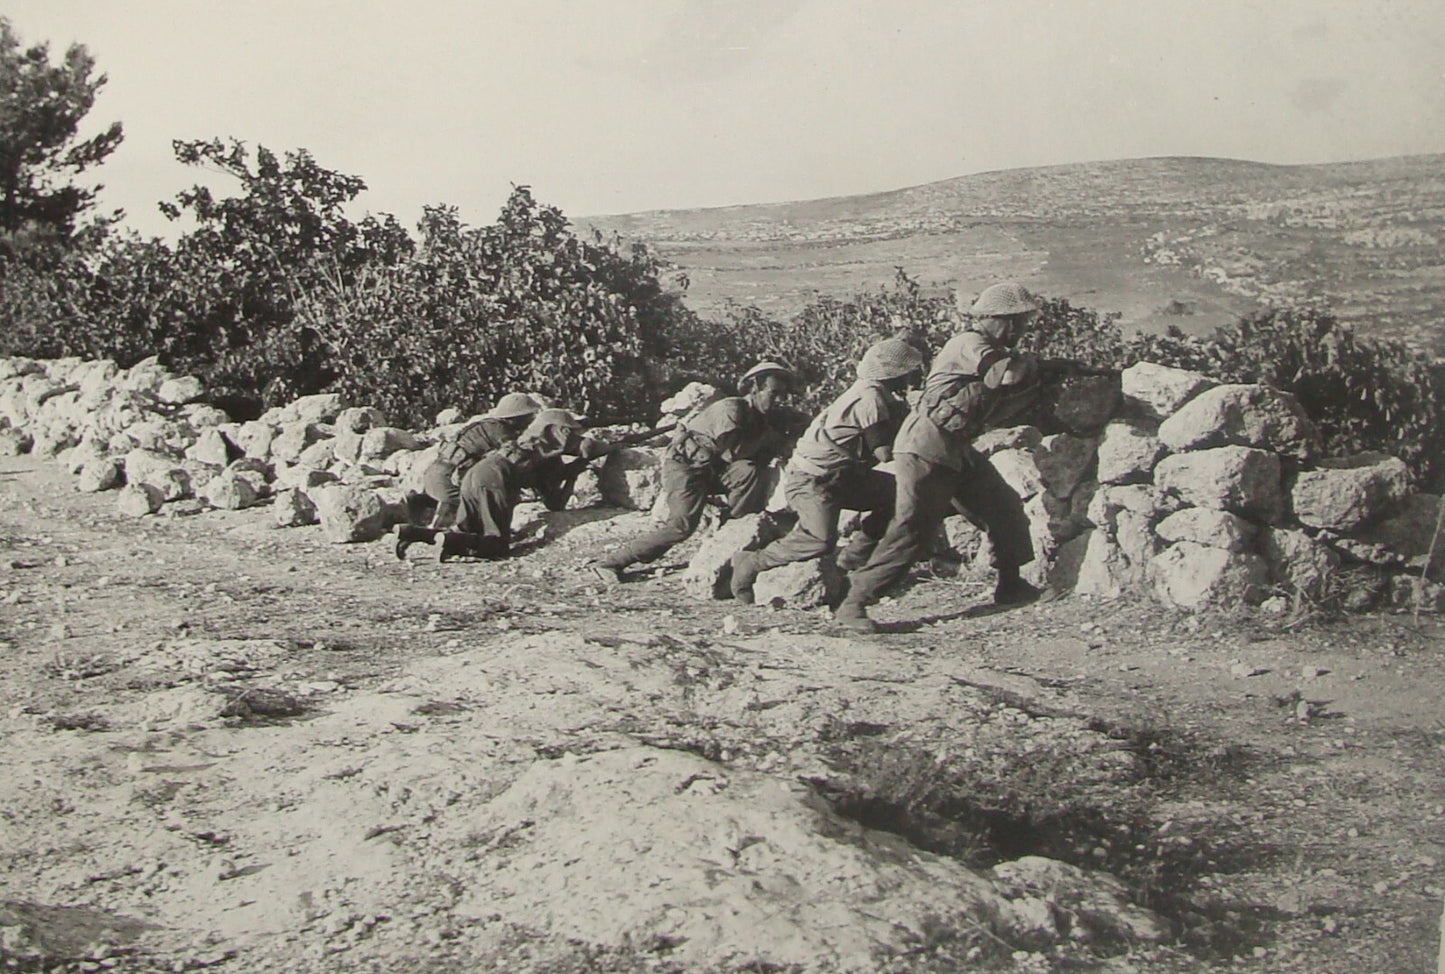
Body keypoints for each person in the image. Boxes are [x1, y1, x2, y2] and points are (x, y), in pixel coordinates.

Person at [833, 282, 1049, 633]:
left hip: (957, 448)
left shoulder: (992, 347)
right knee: (913, 527)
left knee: (1004, 506)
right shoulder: (969, 343)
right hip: (927, 446)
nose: (1019, 329)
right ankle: (854, 602)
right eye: (1015, 321)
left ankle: (1010, 584)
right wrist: (1030, 364)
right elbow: (1007, 375)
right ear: (995, 319)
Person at [727, 338, 923, 603]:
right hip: (812, 479)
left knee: (898, 497)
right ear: (896, 373)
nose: (914, 377)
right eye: (910, 372)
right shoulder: (870, 398)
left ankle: (852, 560)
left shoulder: (876, 393)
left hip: (843, 474)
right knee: (819, 540)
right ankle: (751, 562)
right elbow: (885, 454)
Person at [590, 361, 795, 583]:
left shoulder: (760, 417)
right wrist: (772, 439)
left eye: (783, 395)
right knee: (681, 526)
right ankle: (612, 562)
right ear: (755, 387)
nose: (779, 401)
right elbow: (733, 452)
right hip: (686, 468)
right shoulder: (732, 408)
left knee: (749, 472)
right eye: (774, 393)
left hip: (713, 469)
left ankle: (730, 536)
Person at [395, 408, 599, 561]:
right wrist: (576, 470)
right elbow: (555, 504)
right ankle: (449, 542)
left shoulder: (526, 443)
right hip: (494, 478)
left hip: (474, 474)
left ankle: (412, 533)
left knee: (466, 529)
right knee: (498, 546)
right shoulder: (549, 458)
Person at [408, 392, 541, 529]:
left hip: (433, 477)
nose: (530, 421)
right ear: (515, 418)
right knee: (493, 501)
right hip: (449, 481)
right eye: (528, 417)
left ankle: (442, 528)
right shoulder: (500, 431)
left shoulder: (484, 426)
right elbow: (516, 459)